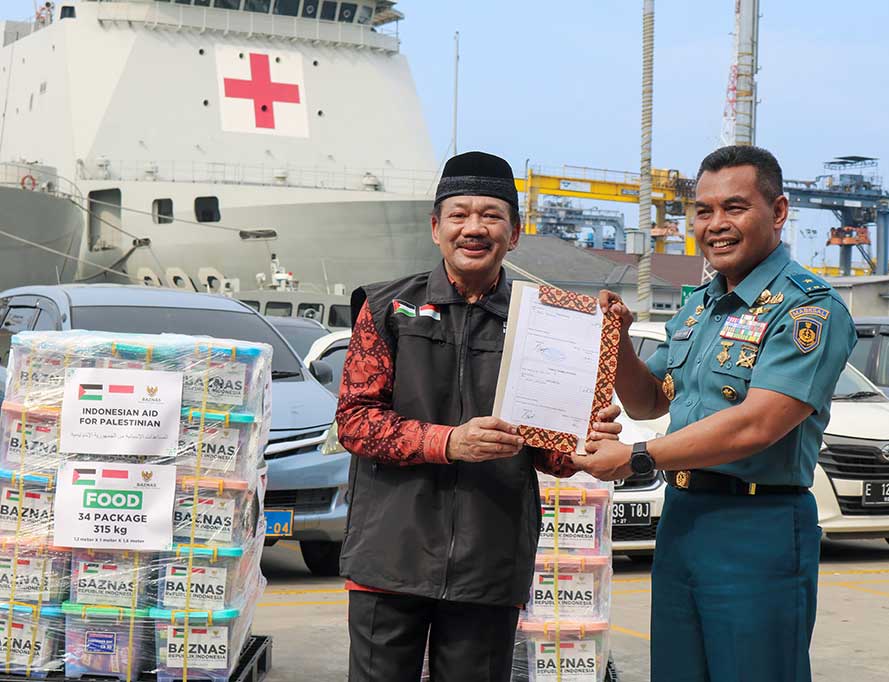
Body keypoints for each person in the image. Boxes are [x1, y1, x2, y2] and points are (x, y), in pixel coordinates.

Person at [335, 151, 622, 682]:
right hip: (390, 555)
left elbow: (551, 452)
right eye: (459, 214)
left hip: (490, 558)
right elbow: (354, 420)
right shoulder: (386, 309)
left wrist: (584, 444)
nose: (474, 228)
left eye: (491, 215)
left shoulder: (546, 321)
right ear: (436, 228)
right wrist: (448, 442)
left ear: (514, 234)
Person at [573, 145, 856, 682]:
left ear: (778, 212)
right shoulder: (700, 305)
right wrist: (619, 343)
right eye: (703, 211)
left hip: (759, 529)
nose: (715, 225)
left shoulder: (808, 309)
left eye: (735, 207)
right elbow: (649, 399)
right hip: (683, 520)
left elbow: (757, 423)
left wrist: (634, 458)